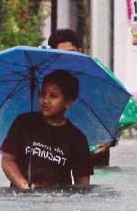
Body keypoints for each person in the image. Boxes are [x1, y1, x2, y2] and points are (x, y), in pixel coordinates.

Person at [0, 70, 93, 189]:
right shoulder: (24, 123)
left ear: (68, 102)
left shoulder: (77, 138)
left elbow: (83, 185)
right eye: (42, 94)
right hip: (21, 199)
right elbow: (8, 160)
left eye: (53, 96)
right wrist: (23, 184)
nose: (45, 101)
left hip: (58, 201)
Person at [47, 27, 114, 167]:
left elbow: (116, 114)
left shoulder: (97, 78)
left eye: (72, 53)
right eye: (62, 54)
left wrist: (110, 140)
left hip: (95, 154)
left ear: (80, 51)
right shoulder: (46, 82)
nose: (68, 58)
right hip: (57, 153)